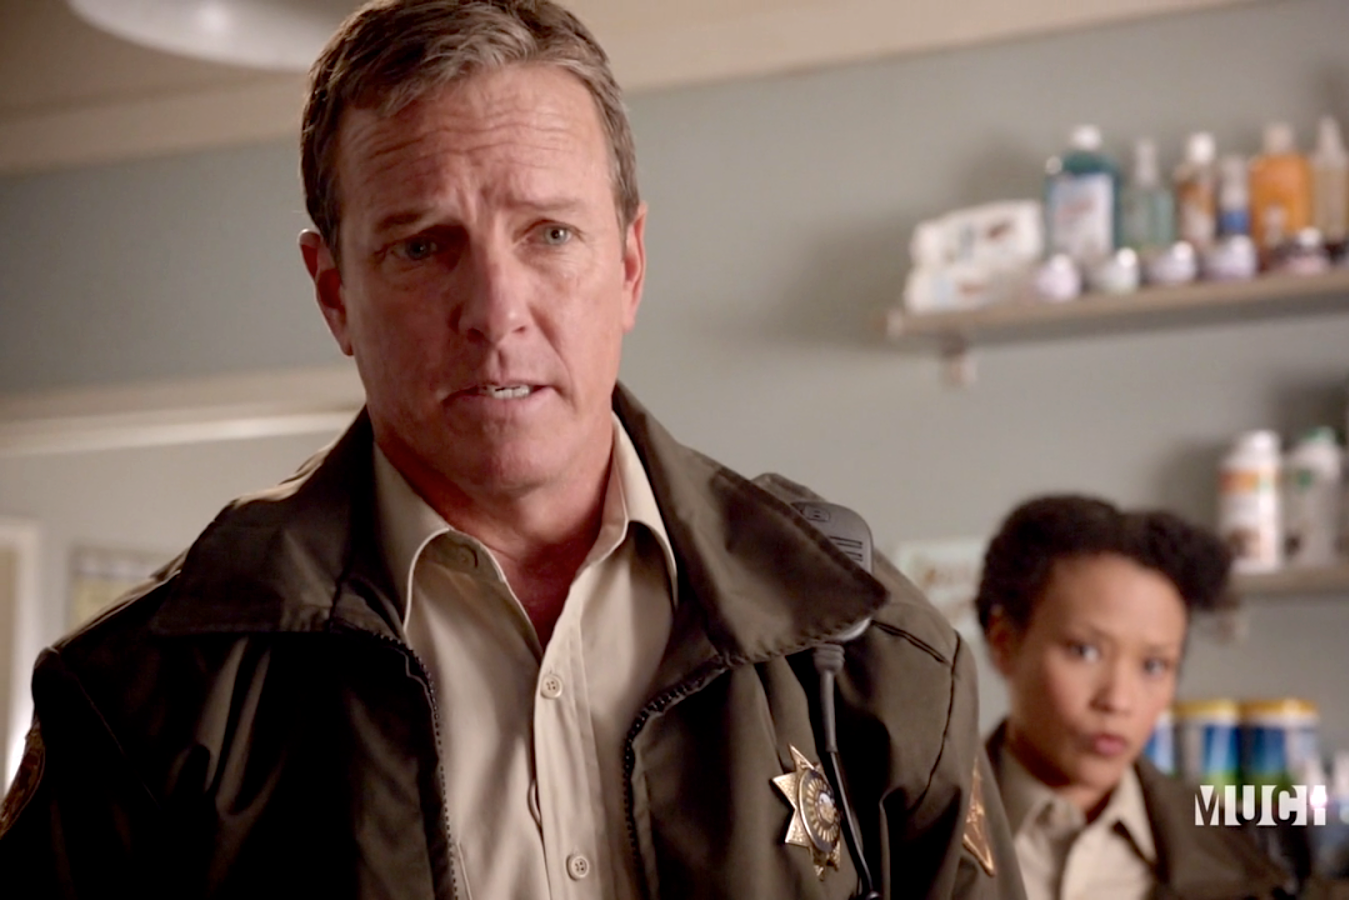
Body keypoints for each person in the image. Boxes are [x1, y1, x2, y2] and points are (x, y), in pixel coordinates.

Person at [0, 2, 1022, 897]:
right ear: (334, 295)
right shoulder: (139, 698)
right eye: (422, 246)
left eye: (550, 234)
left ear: (630, 264)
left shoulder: (869, 651)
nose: (495, 312)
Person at [975, 495, 1287, 900]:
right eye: (1084, 651)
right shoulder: (913, 837)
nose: (1119, 700)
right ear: (1003, 643)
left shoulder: (1245, 851)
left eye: (1154, 665)